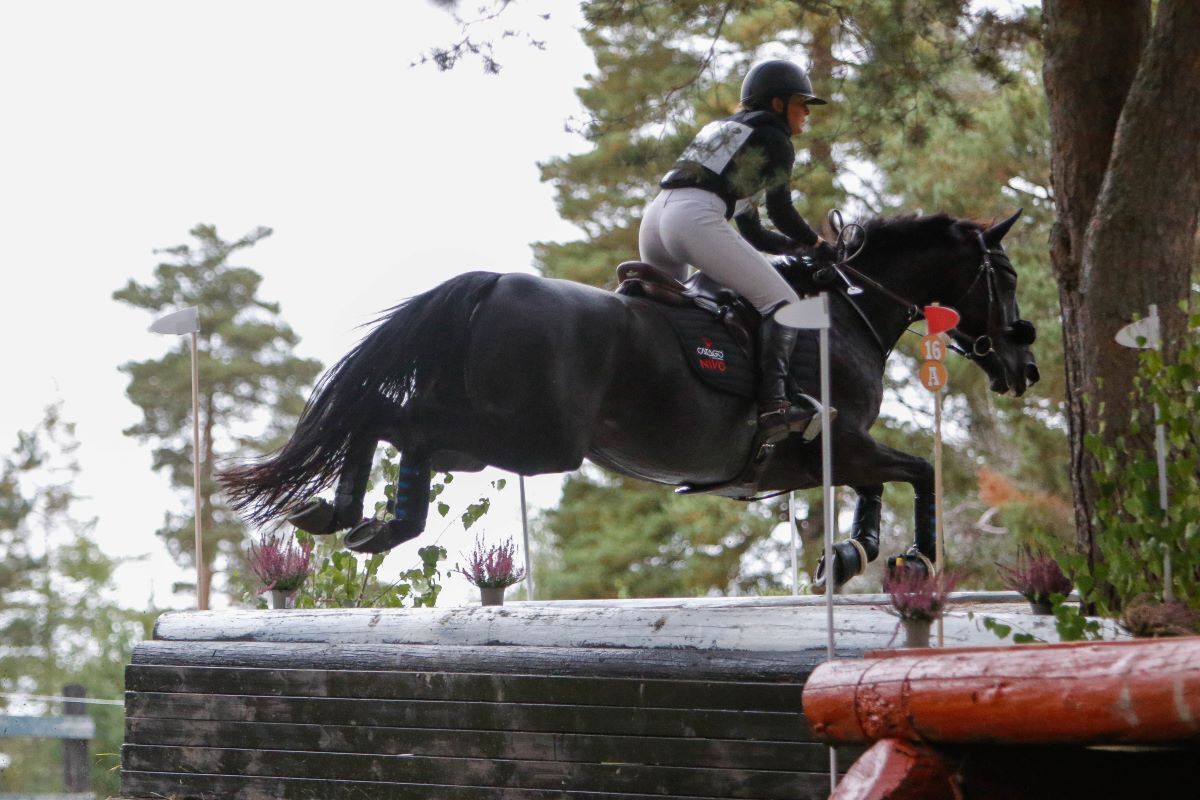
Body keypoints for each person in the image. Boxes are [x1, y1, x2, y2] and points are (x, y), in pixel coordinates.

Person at [639, 58, 836, 444]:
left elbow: (756, 232)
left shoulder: (729, 132)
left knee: (670, 314)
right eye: (802, 104)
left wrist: (802, 247)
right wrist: (817, 244)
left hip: (656, 218)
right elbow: (781, 210)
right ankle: (775, 406)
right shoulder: (775, 139)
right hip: (694, 218)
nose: (806, 115)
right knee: (784, 302)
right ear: (777, 104)